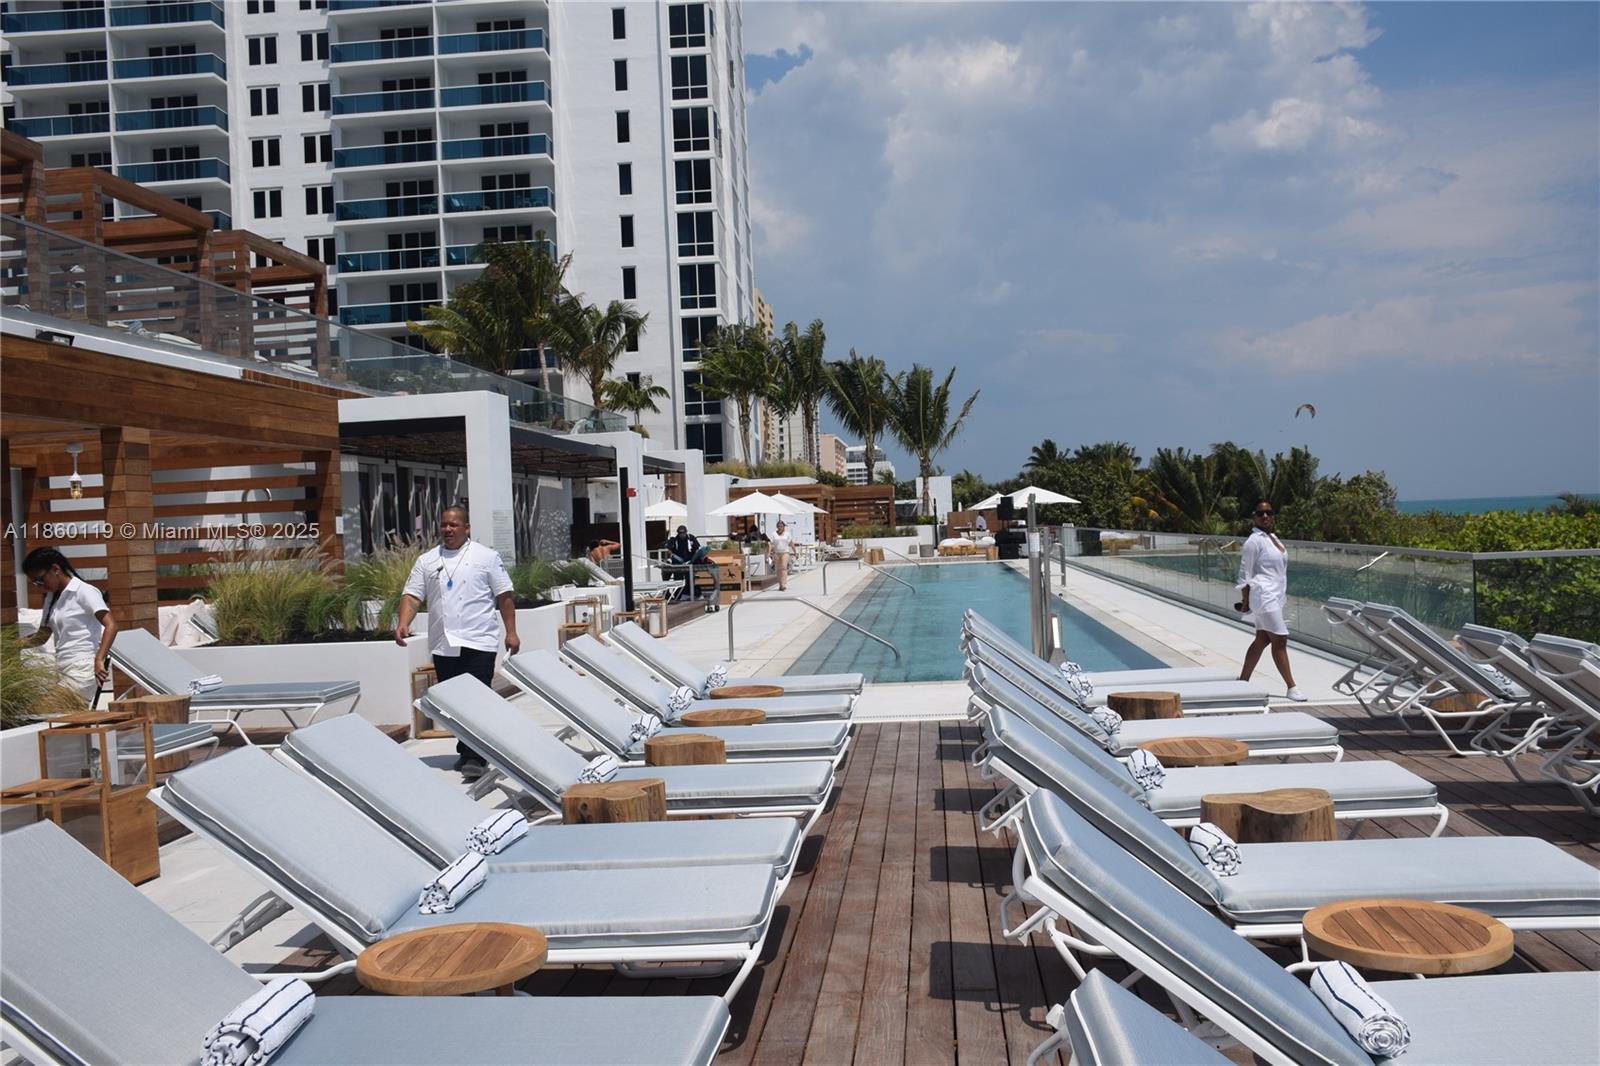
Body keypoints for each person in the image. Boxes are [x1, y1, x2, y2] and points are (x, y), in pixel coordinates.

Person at [395, 505, 520, 780]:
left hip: (479, 640)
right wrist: (403, 622)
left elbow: (504, 597)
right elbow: (413, 595)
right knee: (453, 703)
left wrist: (511, 632)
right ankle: (466, 750)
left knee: (476, 699)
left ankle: (476, 756)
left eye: (453, 525)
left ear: (467, 528)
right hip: (444, 643)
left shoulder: (486, 557)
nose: (448, 530)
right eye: (444, 525)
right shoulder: (427, 560)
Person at [20, 547, 117, 705]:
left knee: (41, 710)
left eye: (40, 580)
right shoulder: (51, 599)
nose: (39, 586)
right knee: (63, 721)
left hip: (82, 669)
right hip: (63, 670)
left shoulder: (84, 591)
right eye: (35, 583)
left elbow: (111, 625)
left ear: (55, 569)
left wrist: (99, 658)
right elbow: (42, 637)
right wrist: (15, 644)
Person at [1235, 501, 1306, 701]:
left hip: (1275, 596)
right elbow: (1245, 573)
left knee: (1262, 639)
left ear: (1273, 515)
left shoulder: (1273, 538)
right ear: (1254, 516)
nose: (1264, 516)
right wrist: (1245, 601)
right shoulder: (1253, 541)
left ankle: (1242, 682)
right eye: (1260, 513)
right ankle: (1291, 686)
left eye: (1268, 512)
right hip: (1263, 596)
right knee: (1280, 639)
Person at [666, 525, 704, 599]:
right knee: (678, 580)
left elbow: (697, 549)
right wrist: (672, 555)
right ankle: (678, 596)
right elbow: (669, 550)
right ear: (678, 533)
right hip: (678, 564)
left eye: (683, 533)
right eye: (680, 533)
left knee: (690, 580)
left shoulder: (691, 538)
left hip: (690, 562)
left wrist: (695, 558)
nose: (682, 535)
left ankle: (691, 595)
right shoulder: (674, 540)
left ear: (686, 532)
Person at [768, 521, 792, 591]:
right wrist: (769, 553)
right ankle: (780, 584)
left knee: (784, 567)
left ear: (784, 527)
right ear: (777, 527)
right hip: (776, 553)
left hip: (785, 552)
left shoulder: (787, 534)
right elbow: (771, 544)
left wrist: (795, 551)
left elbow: (791, 542)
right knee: (778, 569)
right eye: (779, 526)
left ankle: (784, 584)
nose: (780, 527)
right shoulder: (773, 534)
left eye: (782, 526)